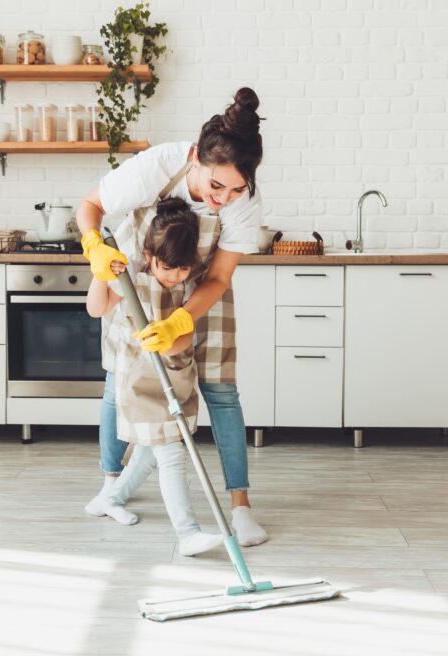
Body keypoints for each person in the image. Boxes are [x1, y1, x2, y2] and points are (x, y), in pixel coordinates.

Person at [78, 88, 269, 547]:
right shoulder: (161, 165)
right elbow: (91, 206)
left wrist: (182, 321)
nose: (224, 199)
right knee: (119, 383)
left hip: (202, 291)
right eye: (216, 186)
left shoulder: (244, 202)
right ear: (196, 158)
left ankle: (240, 508)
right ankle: (111, 486)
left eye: (236, 189)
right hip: (140, 283)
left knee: (222, 392)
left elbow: (218, 277)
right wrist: (95, 248)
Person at [85, 198, 224, 557]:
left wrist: (171, 337)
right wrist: (101, 273)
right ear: (148, 254)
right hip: (140, 381)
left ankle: (111, 499)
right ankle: (187, 533)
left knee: (150, 451)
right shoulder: (130, 278)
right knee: (171, 452)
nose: (174, 275)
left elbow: (186, 336)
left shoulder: (189, 285)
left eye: (182, 269)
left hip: (176, 377)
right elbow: (96, 309)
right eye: (166, 267)